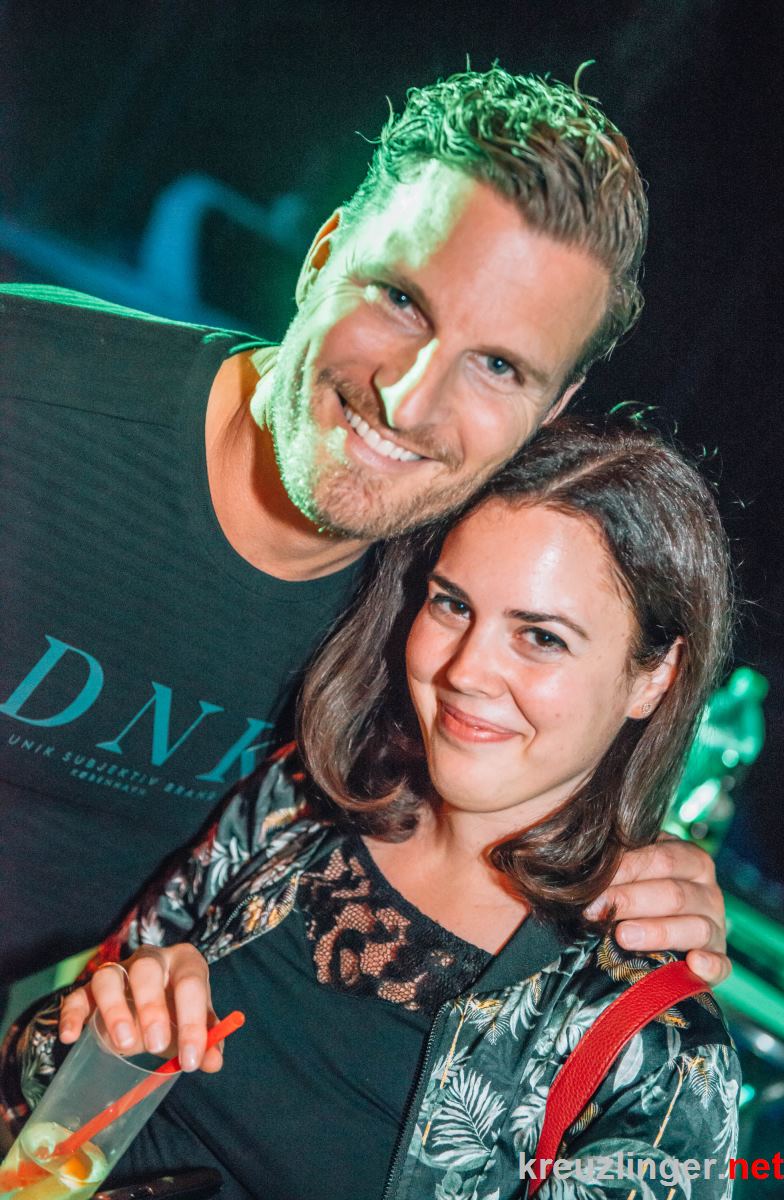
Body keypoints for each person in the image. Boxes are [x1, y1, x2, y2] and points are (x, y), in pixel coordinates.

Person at [1, 67, 726, 986]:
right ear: (322, 257)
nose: (409, 401)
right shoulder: (26, 398)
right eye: (401, 300)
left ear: (551, 411)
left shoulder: (446, 604)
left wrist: (657, 873)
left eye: (499, 366)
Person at [1, 420, 740, 1199]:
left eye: (542, 638)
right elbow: (28, 1086)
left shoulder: (654, 1046)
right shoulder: (301, 804)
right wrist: (102, 1030)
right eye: (452, 604)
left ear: (654, 675)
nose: (466, 671)